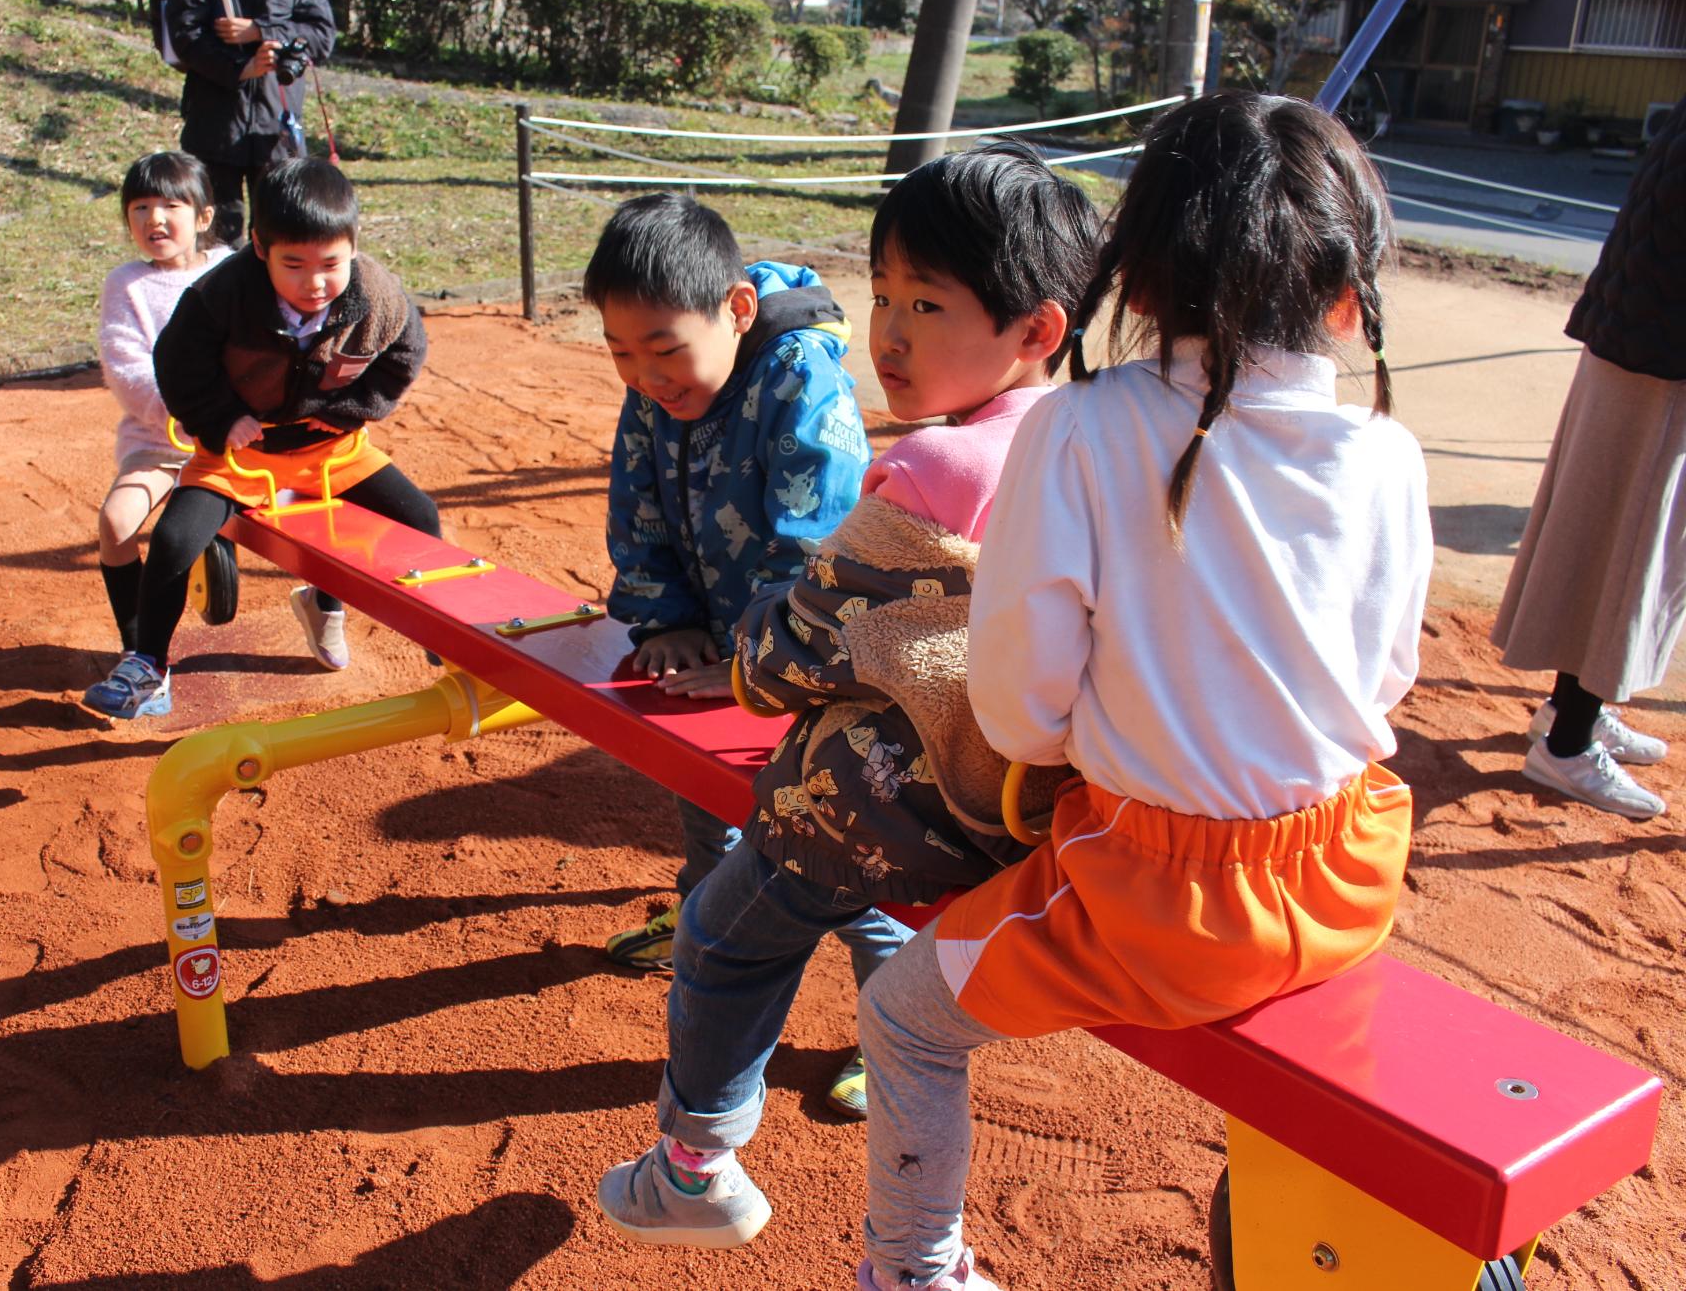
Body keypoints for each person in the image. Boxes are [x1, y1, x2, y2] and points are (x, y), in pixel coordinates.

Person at [857, 92, 1432, 1291]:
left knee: (903, 1017)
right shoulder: (1385, 450)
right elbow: (1384, 679)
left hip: (1159, 896)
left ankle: (908, 1270)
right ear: (1342, 293)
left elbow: (1017, 707)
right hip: (1344, 869)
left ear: (1144, 276)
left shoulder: (1080, 426)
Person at [594, 140, 1104, 1249]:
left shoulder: (930, 471)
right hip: (1019, 806)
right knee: (859, 915)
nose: (889, 334)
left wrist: (740, 667)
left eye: (926, 303)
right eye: (882, 297)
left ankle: (695, 1162)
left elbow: (799, 647)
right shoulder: (1092, 445)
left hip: (897, 803)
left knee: (723, 933)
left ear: (1037, 330)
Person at [585, 194, 873, 974]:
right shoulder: (658, 385)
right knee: (706, 794)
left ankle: (891, 1016)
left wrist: (764, 655)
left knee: (837, 836)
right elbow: (635, 500)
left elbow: (819, 542)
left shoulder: (801, 381)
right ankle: (703, 925)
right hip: (721, 638)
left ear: (739, 308)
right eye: (619, 353)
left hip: (819, 659)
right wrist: (665, 619)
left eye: (662, 349)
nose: (644, 376)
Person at [81, 158, 440, 720]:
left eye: (330, 263)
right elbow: (176, 365)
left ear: (352, 247)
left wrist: (352, 410)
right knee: (176, 541)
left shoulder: (376, 293)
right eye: (292, 264)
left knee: (418, 516)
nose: (314, 282)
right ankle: (147, 662)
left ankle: (409, 617)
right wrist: (220, 418)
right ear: (258, 247)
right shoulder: (220, 294)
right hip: (239, 458)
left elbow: (405, 353)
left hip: (331, 451)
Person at [1490, 94, 1685, 821]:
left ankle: (1571, 709)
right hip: (1658, 356)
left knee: (1616, 540)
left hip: (1639, 337)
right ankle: (1568, 742)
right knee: (1629, 551)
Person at [94, 152, 233, 657]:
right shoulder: (126, 285)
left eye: (171, 205)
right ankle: (140, 652)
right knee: (116, 522)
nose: (154, 218)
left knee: (314, 516)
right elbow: (127, 367)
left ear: (203, 217)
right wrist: (186, 412)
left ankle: (323, 605)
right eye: (140, 207)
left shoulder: (231, 268)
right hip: (163, 443)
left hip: (236, 440)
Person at [164, 0, 335, 248]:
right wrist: (242, 68)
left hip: (276, 130)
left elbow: (322, 35)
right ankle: (221, 294)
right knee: (214, 239)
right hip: (214, 124)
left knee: (280, 235)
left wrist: (261, 30)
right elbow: (185, 34)